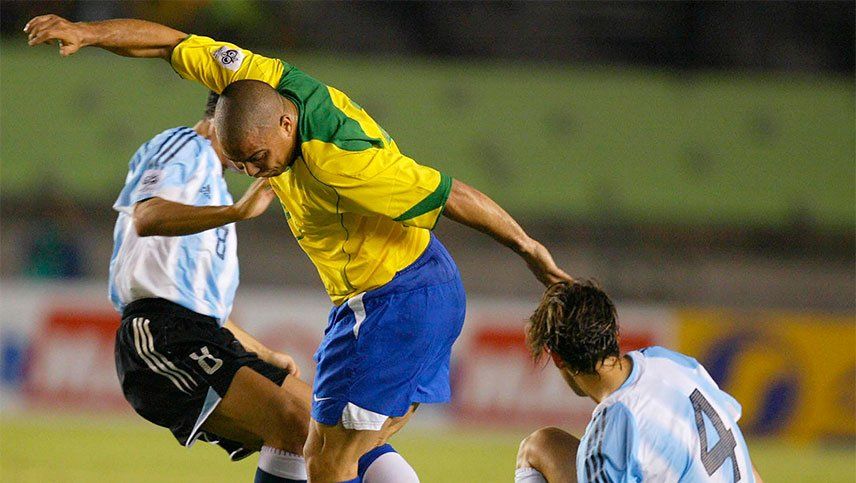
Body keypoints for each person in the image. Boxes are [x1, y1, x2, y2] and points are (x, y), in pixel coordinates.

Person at [26, 14, 571, 483]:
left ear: (286, 124)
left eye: (257, 157)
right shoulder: (250, 83)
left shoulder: (344, 163)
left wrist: (529, 248)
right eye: (239, 161)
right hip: (352, 304)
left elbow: (453, 196)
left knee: (328, 458)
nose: (250, 170)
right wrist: (89, 32)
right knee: (314, 441)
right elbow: (169, 43)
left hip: (398, 298)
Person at [107, 91, 312, 482]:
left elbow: (203, 307)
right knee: (295, 423)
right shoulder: (184, 145)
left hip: (203, 333)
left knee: (331, 429)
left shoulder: (214, 187)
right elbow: (146, 216)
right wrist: (235, 212)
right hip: (160, 335)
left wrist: (262, 351)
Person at [516, 280, 764, 483]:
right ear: (615, 332)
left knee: (537, 447)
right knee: (546, 444)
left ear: (558, 359)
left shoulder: (612, 429)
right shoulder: (671, 362)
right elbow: (744, 460)